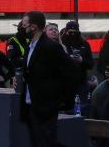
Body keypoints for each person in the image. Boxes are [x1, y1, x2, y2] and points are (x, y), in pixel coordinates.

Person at [19, 10, 79, 146]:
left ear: (33, 27)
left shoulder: (50, 47)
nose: (22, 28)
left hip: (46, 106)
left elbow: (71, 71)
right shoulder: (30, 46)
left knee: (46, 141)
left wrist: (61, 99)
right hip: (30, 104)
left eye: (24, 25)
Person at [60, 21, 93, 107]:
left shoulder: (85, 44)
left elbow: (91, 64)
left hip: (81, 81)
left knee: (82, 106)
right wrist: (68, 58)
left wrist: (81, 60)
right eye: (70, 32)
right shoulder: (61, 44)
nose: (73, 34)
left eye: (75, 32)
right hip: (65, 82)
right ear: (66, 32)